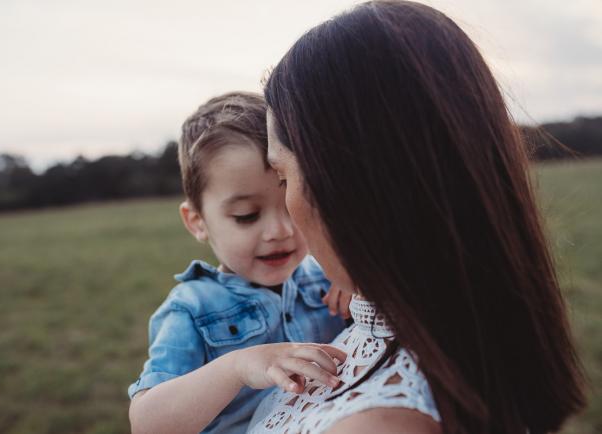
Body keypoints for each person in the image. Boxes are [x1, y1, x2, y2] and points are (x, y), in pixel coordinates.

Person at [246, 1, 587, 433]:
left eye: (282, 177)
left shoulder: (380, 423)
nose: (285, 214)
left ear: (349, 187)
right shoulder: (426, 329)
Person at [127, 92, 348, 434]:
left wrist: (359, 291)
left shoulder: (326, 283)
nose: (279, 231)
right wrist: (237, 367)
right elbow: (147, 423)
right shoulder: (193, 309)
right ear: (197, 221)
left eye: (292, 204)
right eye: (247, 216)